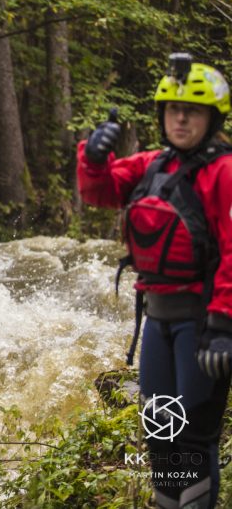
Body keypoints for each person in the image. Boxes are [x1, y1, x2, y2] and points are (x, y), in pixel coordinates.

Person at [77, 52, 232, 508]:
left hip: (202, 325)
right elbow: (99, 191)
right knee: (161, 433)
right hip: (159, 323)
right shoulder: (151, 165)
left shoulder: (224, 171)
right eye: (173, 110)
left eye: (193, 111)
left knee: (192, 438)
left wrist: (223, 327)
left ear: (212, 118)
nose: (181, 118)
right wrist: (94, 155)